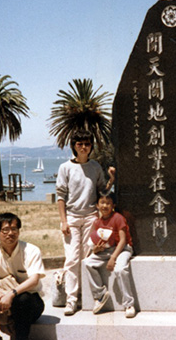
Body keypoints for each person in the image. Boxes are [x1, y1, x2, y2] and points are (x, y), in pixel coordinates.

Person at [56, 129, 116, 316]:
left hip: (91, 217)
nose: (84, 147)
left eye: (87, 144)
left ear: (91, 146)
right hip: (72, 219)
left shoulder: (95, 167)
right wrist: (63, 221)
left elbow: (102, 191)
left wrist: (112, 178)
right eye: (80, 143)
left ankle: (85, 296)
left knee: (86, 257)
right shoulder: (65, 168)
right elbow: (60, 196)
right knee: (72, 259)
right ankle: (71, 299)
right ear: (74, 145)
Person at [0, 213, 45, 340]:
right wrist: (2, 297)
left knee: (23, 300)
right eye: (5, 230)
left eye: (14, 229)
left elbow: (34, 280)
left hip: (30, 303)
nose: (10, 233)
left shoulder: (31, 250)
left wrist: (11, 295)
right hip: (2, 301)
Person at [83, 191, 136, 318]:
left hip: (123, 249)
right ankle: (100, 294)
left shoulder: (118, 218)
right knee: (88, 263)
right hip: (107, 250)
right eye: (102, 202)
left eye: (108, 203)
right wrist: (96, 249)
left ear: (113, 205)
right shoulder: (97, 222)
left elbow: (123, 241)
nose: (104, 206)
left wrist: (113, 258)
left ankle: (129, 304)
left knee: (120, 270)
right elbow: (95, 246)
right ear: (97, 205)